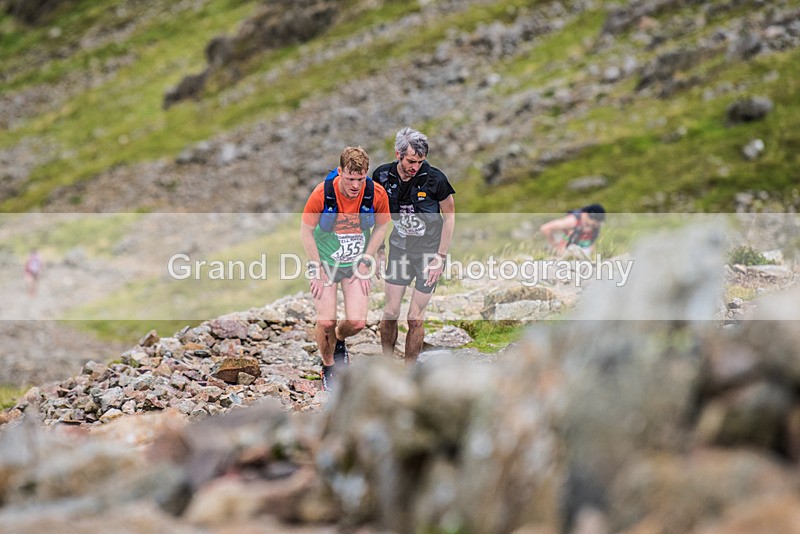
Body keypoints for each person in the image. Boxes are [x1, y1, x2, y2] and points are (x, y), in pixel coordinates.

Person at [301, 146, 390, 391]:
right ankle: (329, 365)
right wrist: (316, 268)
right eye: (350, 179)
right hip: (326, 263)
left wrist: (367, 260)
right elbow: (305, 230)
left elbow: (382, 226)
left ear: (366, 175)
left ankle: (339, 339)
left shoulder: (376, 194)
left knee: (357, 322)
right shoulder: (322, 193)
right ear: (340, 172)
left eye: (360, 179)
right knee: (326, 320)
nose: (355, 185)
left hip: (355, 264)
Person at [373, 127, 456, 367]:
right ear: (398, 154)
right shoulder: (382, 176)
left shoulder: (435, 179)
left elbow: (450, 217)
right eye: (411, 161)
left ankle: (409, 372)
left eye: (420, 161)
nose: (415, 167)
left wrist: (440, 257)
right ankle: (387, 366)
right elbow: (377, 215)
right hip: (399, 251)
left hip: (428, 254)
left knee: (414, 318)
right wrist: (379, 251)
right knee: (390, 314)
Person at [539, 203, 606, 259]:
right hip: (566, 252)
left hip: (584, 254)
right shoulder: (572, 221)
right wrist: (555, 246)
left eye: (598, 221)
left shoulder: (596, 226)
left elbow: (591, 242)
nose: (595, 224)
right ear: (585, 214)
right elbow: (545, 228)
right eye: (593, 219)